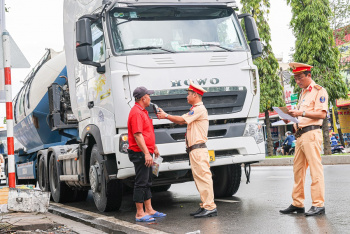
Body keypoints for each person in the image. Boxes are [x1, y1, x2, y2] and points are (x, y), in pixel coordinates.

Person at [157, 81, 217, 218]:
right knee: (199, 179)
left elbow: (181, 120)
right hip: (194, 150)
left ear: (195, 95)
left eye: (189, 94)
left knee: (203, 178)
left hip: (198, 150)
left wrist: (166, 115)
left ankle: (210, 207)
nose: (187, 97)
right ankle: (205, 205)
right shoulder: (196, 109)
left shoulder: (199, 109)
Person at [280, 62, 328, 216]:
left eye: (300, 77)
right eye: (295, 78)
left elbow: (322, 114)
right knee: (298, 171)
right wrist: (289, 118)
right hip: (300, 135)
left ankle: (318, 204)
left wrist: (301, 114)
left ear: (309, 75)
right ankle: (297, 203)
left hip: (312, 134)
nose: (297, 81)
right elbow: (300, 116)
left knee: (315, 170)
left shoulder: (319, 91)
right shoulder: (303, 94)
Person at [127, 86, 166, 222]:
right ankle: (139, 213)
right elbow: (138, 135)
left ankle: (149, 210)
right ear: (143, 98)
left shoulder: (143, 112)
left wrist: (153, 147)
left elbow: (146, 133)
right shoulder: (136, 112)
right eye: (149, 95)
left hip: (146, 151)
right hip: (139, 153)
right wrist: (146, 154)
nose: (150, 97)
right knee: (141, 182)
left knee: (148, 181)